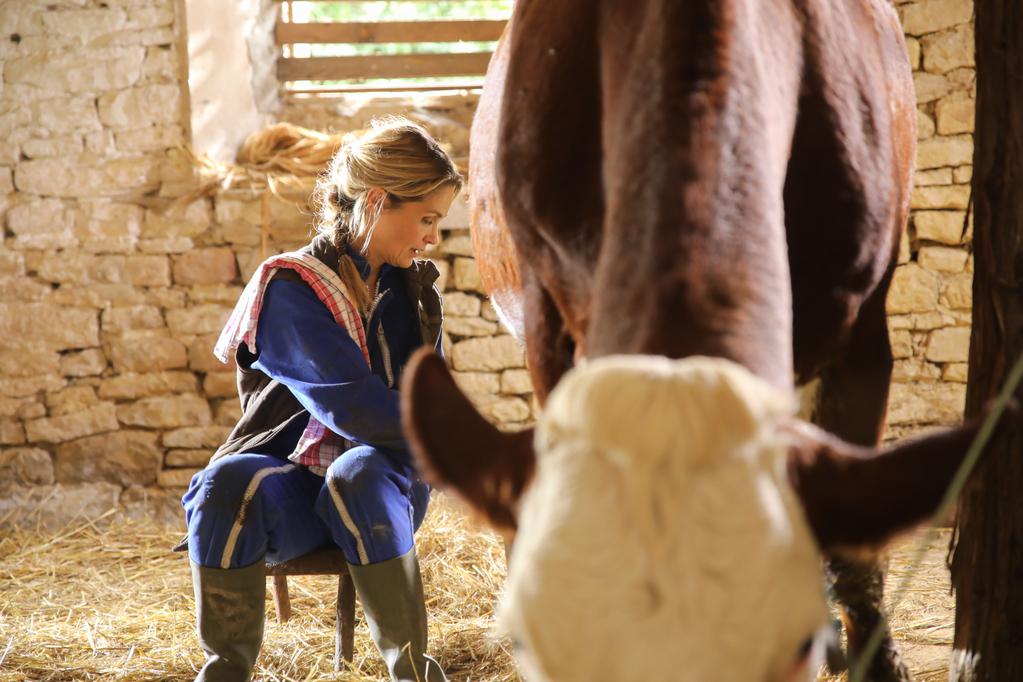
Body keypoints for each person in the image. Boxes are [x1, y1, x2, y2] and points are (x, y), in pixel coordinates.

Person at [182, 118, 462, 682]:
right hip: (295, 490)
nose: (432, 238)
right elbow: (353, 407)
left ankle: (411, 669)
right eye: (426, 219)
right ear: (379, 201)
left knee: (359, 471)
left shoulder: (412, 291)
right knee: (223, 484)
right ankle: (225, 669)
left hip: (385, 488)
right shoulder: (289, 288)